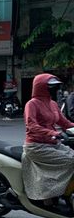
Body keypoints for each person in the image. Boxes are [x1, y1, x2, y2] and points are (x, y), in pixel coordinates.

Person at [22, 74, 74, 209]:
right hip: (36, 146)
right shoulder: (32, 104)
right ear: (41, 87)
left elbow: (64, 122)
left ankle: (63, 191)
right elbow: (31, 125)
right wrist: (53, 133)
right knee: (71, 161)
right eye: (52, 87)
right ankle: (50, 193)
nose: (55, 89)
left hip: (52, 143)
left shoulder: (53, 104)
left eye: (56, 87)